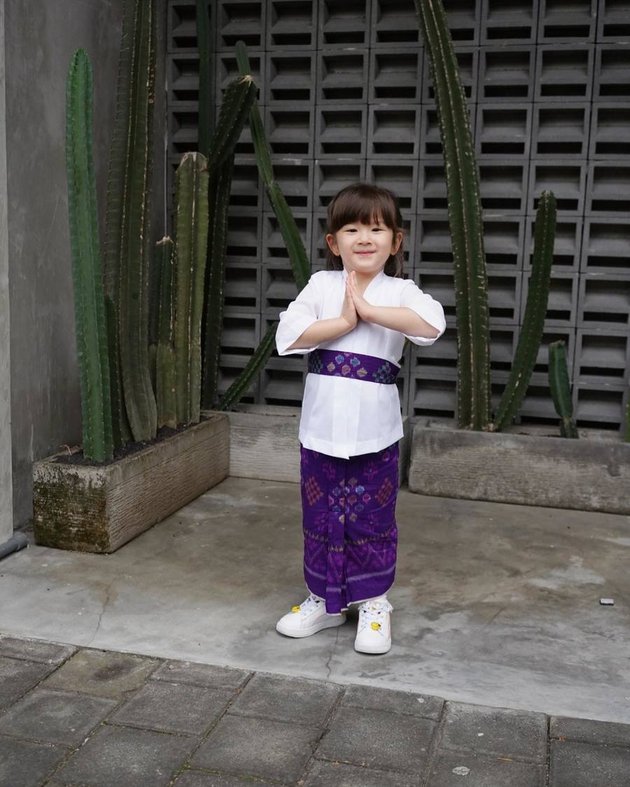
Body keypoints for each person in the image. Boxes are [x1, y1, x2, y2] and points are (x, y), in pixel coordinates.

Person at [274, 182, 446, 654]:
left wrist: (371, 310)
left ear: (396, 240)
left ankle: (373, 603)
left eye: (376, 228)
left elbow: (432, 325)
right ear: (334, 243)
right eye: (351, 228)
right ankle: (324, 602)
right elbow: (288, 336)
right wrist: (345, 322)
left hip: (376, 435)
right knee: (320, 514)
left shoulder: (401, 292)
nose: (364, 237)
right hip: (321, 433)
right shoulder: (323, 286)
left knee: (371, 518)